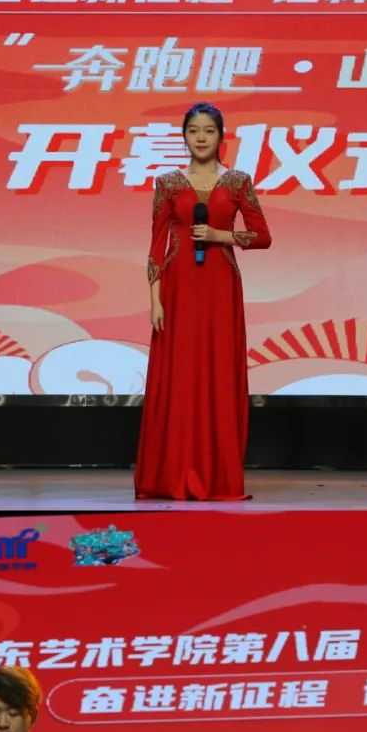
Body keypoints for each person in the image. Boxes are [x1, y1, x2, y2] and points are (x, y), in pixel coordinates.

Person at [133, 101, 272, 501]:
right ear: (184, 136)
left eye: (209, 130)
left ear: (221, 136)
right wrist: (155, 300)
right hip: (178, 290)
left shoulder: (238, 181)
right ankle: (173, 472)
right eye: (193, 130)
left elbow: (262, 236)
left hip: (220, 288)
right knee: (179, 377)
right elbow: (157, 246)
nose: (201, 138)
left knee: (216, 374)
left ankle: (217, 475)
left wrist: (218, 236)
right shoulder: (168, 183)